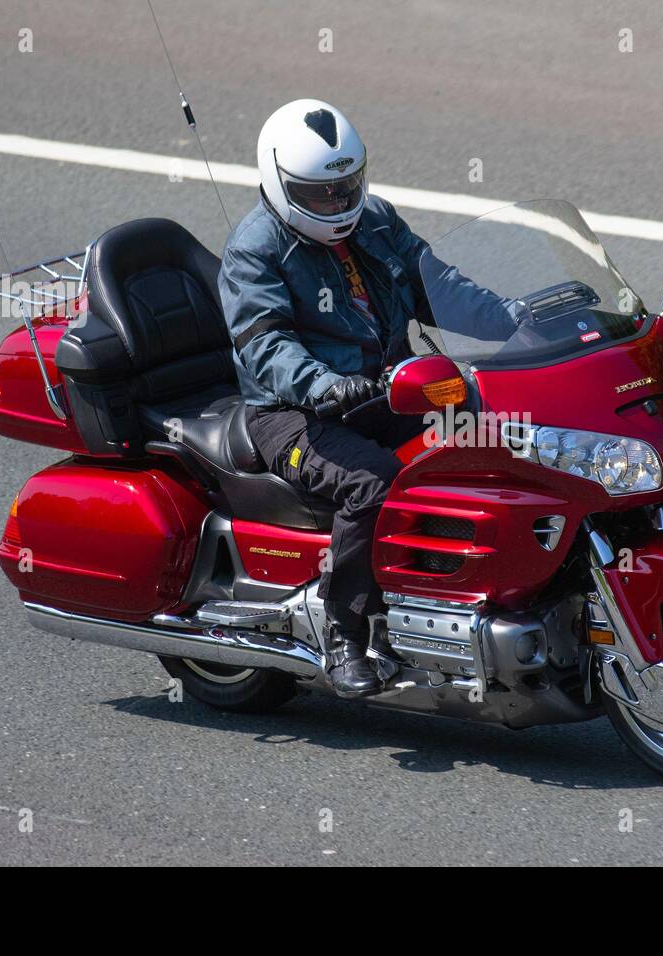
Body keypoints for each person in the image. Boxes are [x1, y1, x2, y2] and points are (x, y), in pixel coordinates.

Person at [219, 99, 485, 698]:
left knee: (486, 420)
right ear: (281, 184)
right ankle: (345, 632)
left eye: (346, 188)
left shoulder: (377, 221)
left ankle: (463, 577)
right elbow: (265, 345)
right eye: (321, 194)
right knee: (373, 482)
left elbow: (438, 286)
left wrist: (521, 320)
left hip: (381, 388)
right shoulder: (253, 250)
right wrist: (325, 385)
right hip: (291, 415)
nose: (338, 204)